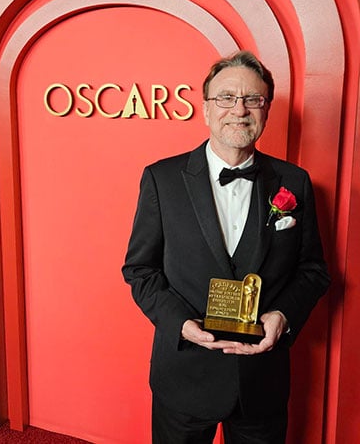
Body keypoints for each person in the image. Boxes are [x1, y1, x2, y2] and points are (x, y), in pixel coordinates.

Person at [122, 51, 330, 444]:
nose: (239, 109)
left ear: (266, 110)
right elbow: (140, 270)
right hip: (184, 374)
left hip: (261, 380)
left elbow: (312, 270)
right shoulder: (161, 179)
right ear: (205, 109)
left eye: (253, 99)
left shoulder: (295, 182)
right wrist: (181, 325)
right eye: (226, 98)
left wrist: (283, 316)